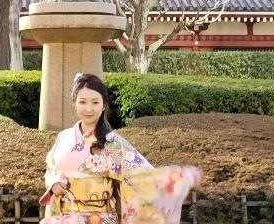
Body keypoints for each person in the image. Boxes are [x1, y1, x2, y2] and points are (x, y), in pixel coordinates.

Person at [40, 73, 201, 224]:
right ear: (75, 103)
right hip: (65, 217)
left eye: (95, 102)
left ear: (103, 105)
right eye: (82, 102)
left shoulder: (113, 143)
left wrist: (175, 179)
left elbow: (142, 176)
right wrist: (53, 182)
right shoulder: (64, 137)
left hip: (100, 219)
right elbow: (51, 169)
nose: (88, 109)